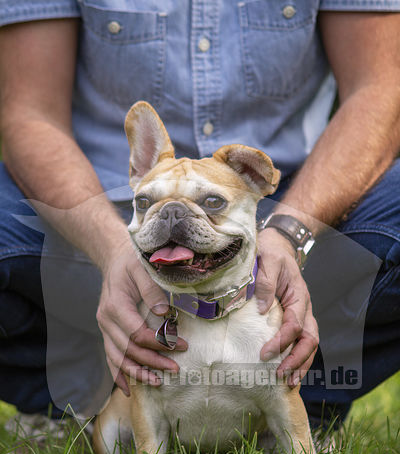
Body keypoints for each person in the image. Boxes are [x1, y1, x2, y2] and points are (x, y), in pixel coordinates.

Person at [0, 1, 399, 428]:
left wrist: (291, 229)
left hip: (302, 202)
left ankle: (293, 399)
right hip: (91, 210)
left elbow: (380, 89)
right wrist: (111, 246)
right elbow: (28, 111)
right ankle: (81, 402)